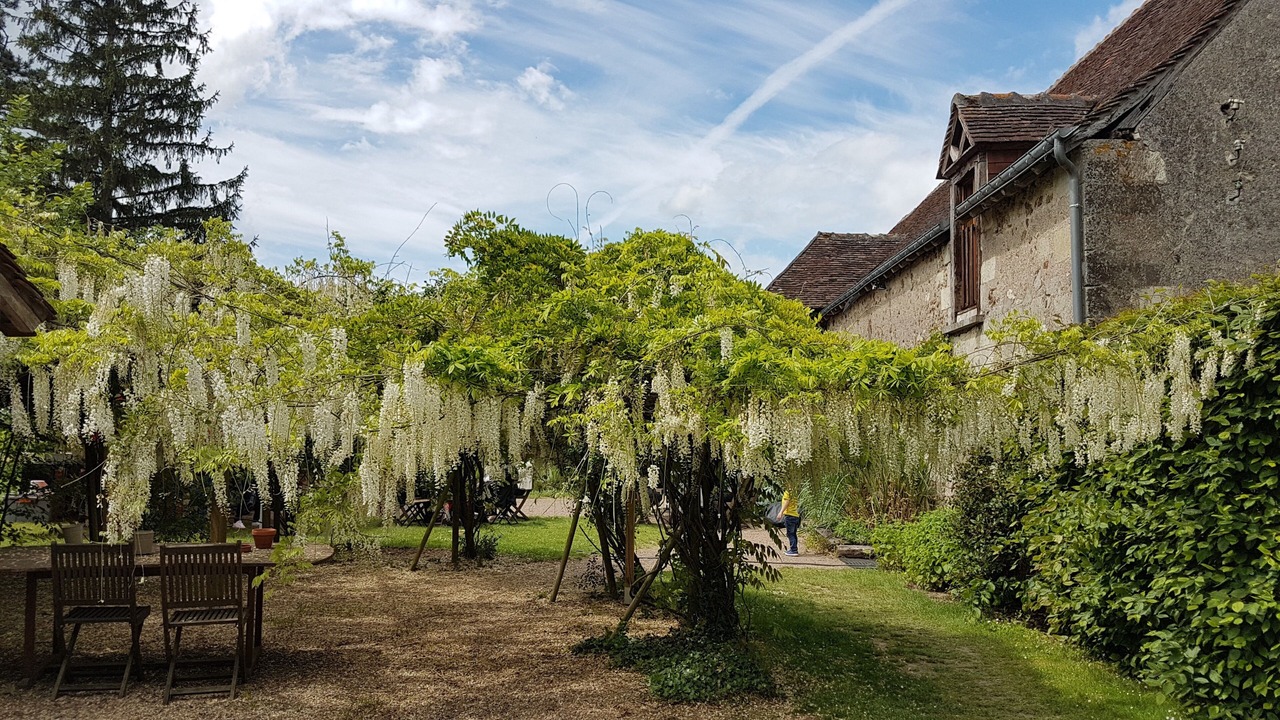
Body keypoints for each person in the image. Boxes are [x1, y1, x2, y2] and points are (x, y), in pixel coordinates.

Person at [781, 489, 801, 556]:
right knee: (793, 533)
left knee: (790, 534)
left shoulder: (788, 492)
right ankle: (794, 549)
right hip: (795, 515)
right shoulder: (795, 492)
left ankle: (793, 550)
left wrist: (781, 512)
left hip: (790, 515)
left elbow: (787, 502)